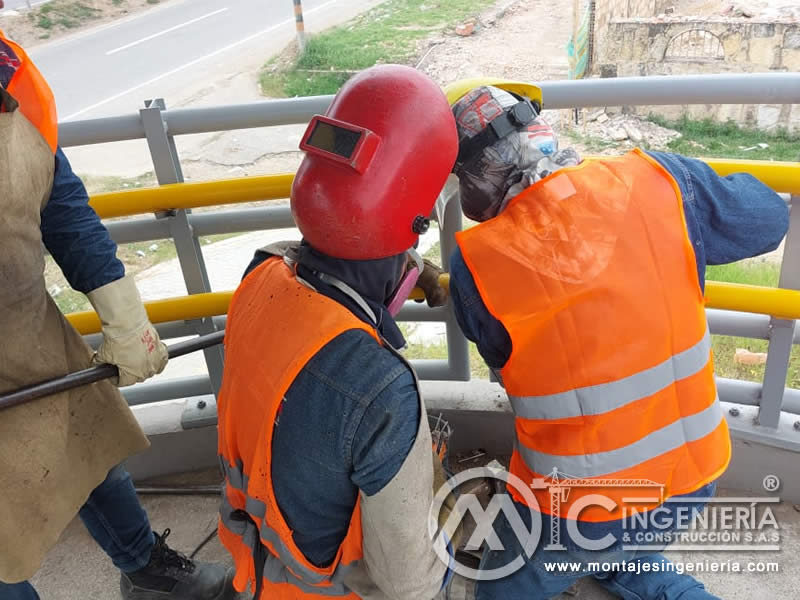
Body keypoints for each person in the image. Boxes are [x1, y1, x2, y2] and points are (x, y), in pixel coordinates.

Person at [443, 81, 789, 600]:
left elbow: (501, 358)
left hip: (580, 507)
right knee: (625, 551)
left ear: (472, 181)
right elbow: (767, 220)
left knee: (504, 585)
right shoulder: (659, 180)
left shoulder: (476, 265)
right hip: (692, 481)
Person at [0, 27, 234, 600]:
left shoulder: (11, 74)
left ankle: (147, 571)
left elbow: (60, 202)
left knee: (87, 447)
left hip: (25, 333)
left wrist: (122, 312)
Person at [216, 64, 462, 600]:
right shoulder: (380, 389)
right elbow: (408, 583)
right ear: (416, 221)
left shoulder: (262, 273)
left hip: (253, 566)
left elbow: (351, 243)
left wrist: (414, 273)